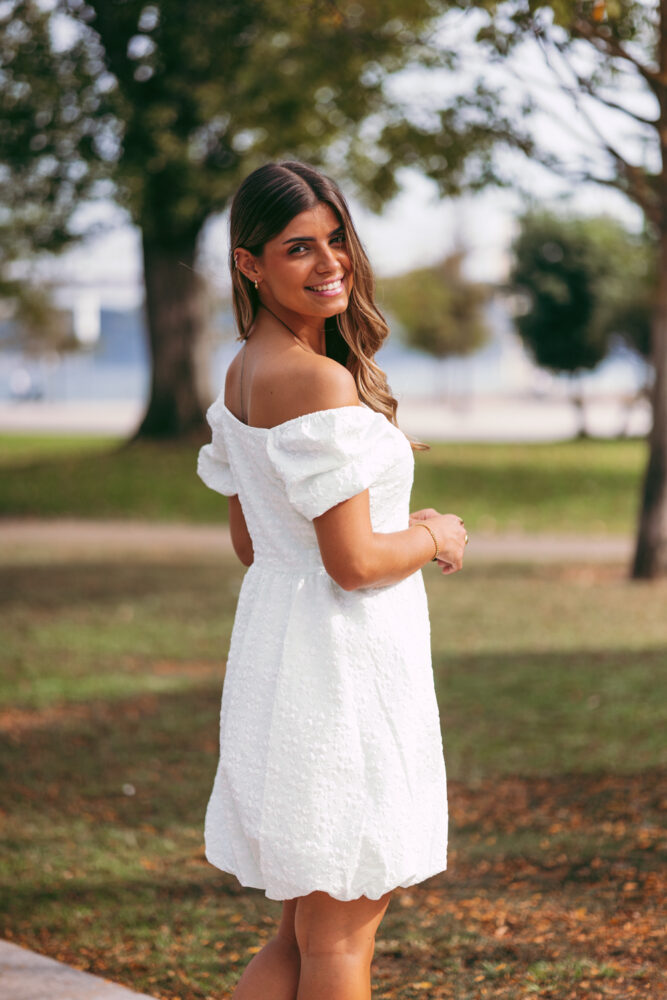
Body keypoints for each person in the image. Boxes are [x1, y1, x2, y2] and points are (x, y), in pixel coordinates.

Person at [197, 160, 468, 1000]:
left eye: (335, 239)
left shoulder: (244, 372)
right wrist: (431, 534)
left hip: (286, 664)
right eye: (298, 248)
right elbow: (351, 564)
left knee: (305, 931)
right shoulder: (314, 379)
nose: (329, 263)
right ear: (249, 264)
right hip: (343, 676)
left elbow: (253, 542)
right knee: (341, 939)